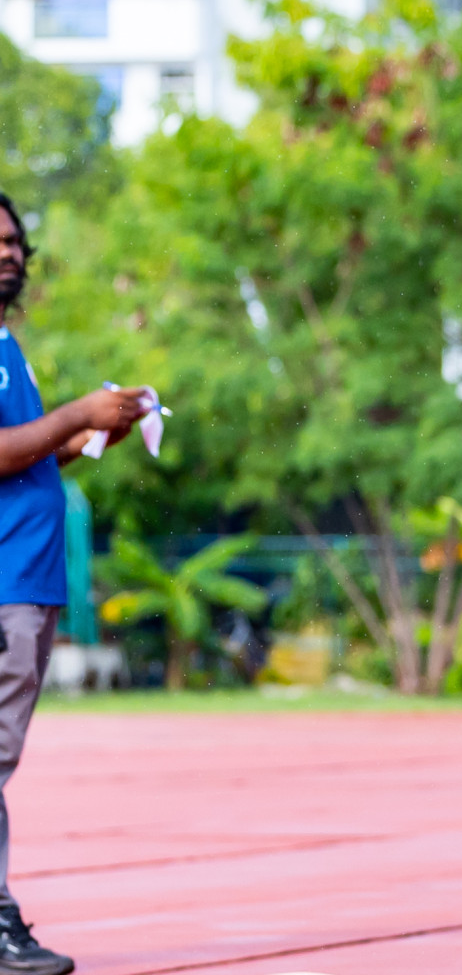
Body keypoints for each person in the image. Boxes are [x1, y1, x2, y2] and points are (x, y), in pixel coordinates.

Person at [0, 193, 147, 974]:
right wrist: (71, 413)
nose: (8, 252)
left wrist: (92, 436)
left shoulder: (4, 342)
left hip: (26, 577)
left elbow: (24, 457)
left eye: (15, 239)